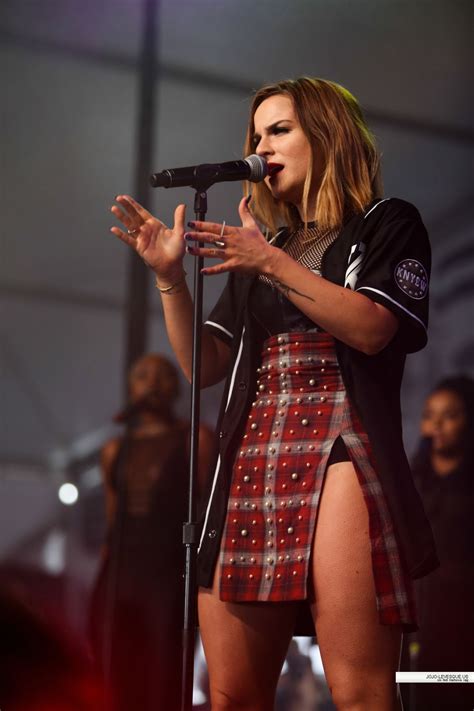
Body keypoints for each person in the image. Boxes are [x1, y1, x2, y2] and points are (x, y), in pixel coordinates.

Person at [110, 77, 438, 711]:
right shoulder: (270, 247)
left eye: (278, 130)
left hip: (344, 439)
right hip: (254, 443)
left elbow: (373, 328)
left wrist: (269, 264)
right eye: (255, 135)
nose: (260, 147)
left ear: (328, 135)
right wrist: (170, 279)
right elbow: (203, 366)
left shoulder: (387, 222)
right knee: (230, 696)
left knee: (360, 692)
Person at [89, 353, 213, 711]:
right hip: (121, 574)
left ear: (176, 387)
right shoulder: (115, 450)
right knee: (113, 665)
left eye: (163, 375)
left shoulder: (194, 439)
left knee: (163, 670)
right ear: (131, 387)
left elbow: (204, 509)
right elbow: (113, 518)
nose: (153, 382)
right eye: (144, 375)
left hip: (168, 575)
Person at [402, 376, 474, 710]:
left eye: (451, 415)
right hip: (421, 609)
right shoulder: (410, 479)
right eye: (430, 415)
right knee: (420, 692)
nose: (438, 424)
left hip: (464, 612)